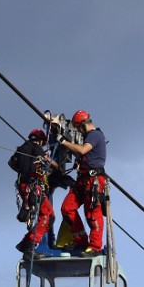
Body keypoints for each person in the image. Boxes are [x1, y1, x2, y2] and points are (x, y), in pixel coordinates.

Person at [59, 110, 107, 256]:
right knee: (67, 208)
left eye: (78, 127)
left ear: (81, 125)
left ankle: (95, 247)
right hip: (83, 180)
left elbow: (82, 150)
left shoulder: (94, 135)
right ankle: (80, 240)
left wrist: (63, 141)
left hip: (93, 180)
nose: (79, 131)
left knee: (93, 214)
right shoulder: (89, 137)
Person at [10, 129, 57, 257]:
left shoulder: (21, 148)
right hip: (32, 187)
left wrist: (24, 170)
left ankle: (25, 244)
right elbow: (49, 163)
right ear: (40, 140)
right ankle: (29, 245)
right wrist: (56, 165)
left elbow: (11, 163)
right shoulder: (36, 147)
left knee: (47, 214)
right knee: (48, 216)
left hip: (23, 185)